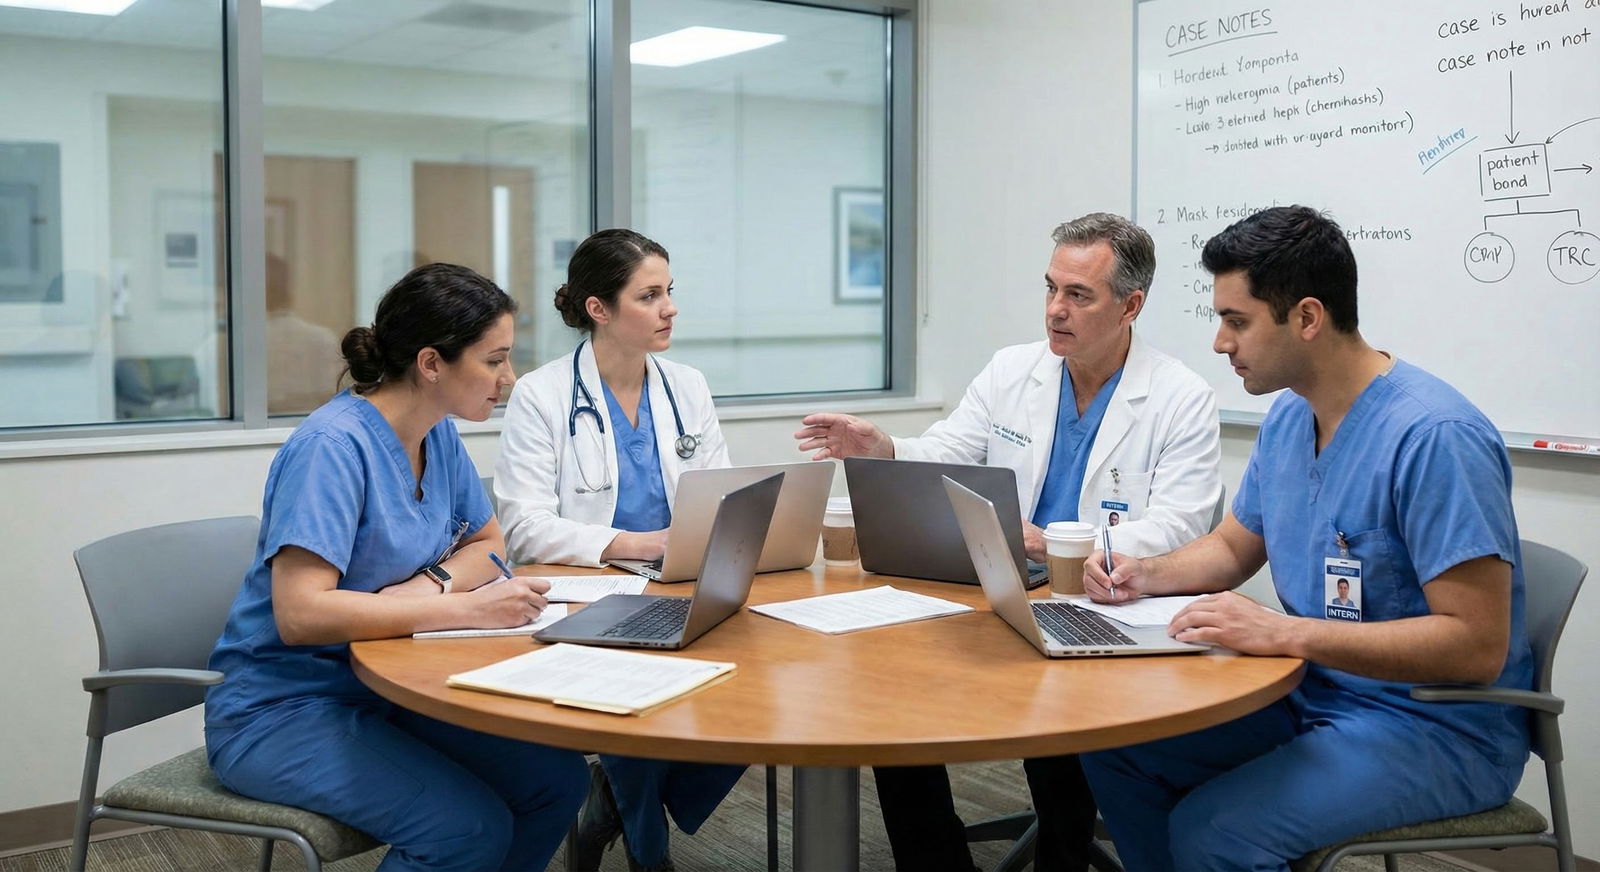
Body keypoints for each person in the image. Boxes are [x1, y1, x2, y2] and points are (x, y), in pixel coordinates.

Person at [1080, 206, 1531, 872]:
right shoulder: (1293, 414)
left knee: (1218, 831)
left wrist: (1285, 633)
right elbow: (1235, 548)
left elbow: (1475, 646)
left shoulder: (1435, 438)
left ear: (1309, 318)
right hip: (1314, 692)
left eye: (1237, 321)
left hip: (1437, 727)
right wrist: (1143, 572)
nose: (1220, 343)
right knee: (1116, 746)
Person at [795, 213, 1223, 872]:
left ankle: (1062, 856)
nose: (1056, 309)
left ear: (1131, 305)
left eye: (1078, 295)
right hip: (997, 587)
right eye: (1051, 288)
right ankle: (936, 862)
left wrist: (1051, 542)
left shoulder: (1180, 397)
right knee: (889, 695)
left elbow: (1181, 525)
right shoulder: (1013, 371)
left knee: (1060, 722)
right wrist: (882, 449)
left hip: (1099, 603)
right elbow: (946, 456)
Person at [204, 264, 589, 872]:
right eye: (494, 361)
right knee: (464, 830)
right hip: (285, 710)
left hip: (389, 687)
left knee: (557, 784)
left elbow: (489, 543)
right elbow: (301, 615)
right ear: (432, 363)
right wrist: (459, 608)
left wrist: (423, 587)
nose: (509, 379)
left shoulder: (435, 434)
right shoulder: (331, 449)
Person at [495, 229, 739, 872]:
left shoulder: (687, 385)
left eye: (669, 292)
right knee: (634, 695)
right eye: (649, 295)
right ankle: (647, 850)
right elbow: (522, 526)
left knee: (759, 678)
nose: (669, 308)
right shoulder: (542, 395)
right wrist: (632, 543)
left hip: (684, 580)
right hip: (591, 592)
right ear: (599, 309)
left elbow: (718, 494)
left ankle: (605, 804)